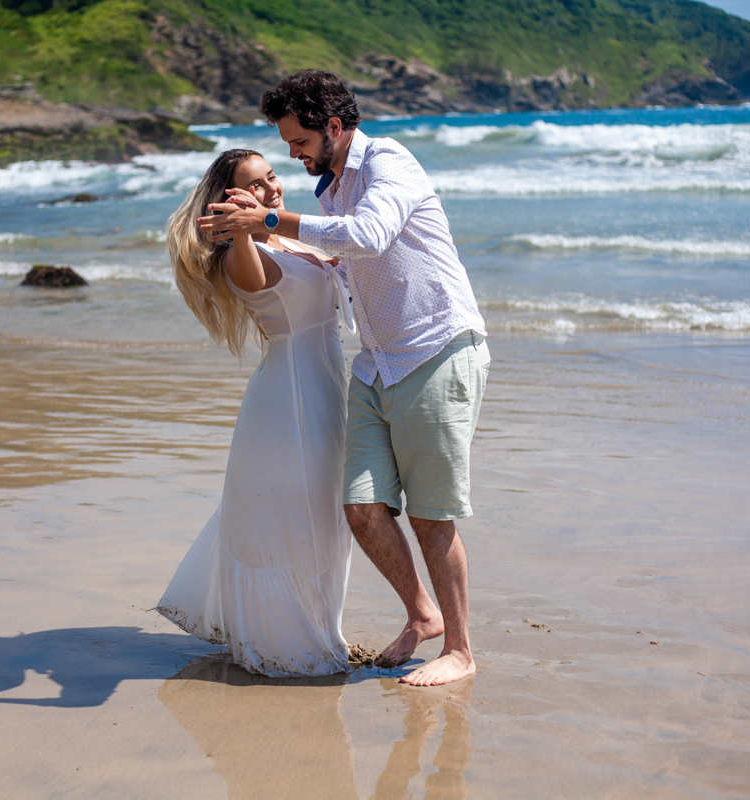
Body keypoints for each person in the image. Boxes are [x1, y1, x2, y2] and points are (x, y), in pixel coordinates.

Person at [198, 70, 490, 687]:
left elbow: (367, 237)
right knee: (362, 509)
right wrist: (246, 228)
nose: (293, 157)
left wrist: (269, 223)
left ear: (333, 126)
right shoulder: (328, 188)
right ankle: (423, 616)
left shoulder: (389, 164)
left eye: (299, 143)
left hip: (434, 348)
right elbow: (327, 260)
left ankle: (461, 650)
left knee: (431, 516)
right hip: (376, 363)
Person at [157, 148, 356, 677]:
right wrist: (241, 225)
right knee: (297, 520)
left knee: (326, 519)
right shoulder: (241, 255)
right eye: (255, 186)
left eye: (272, 177)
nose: (272, 189)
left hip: (325, 389)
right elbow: (248, 260)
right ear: (229, 202)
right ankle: (289, 646)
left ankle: (320, 629)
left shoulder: (287, 237)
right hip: (289, 402)